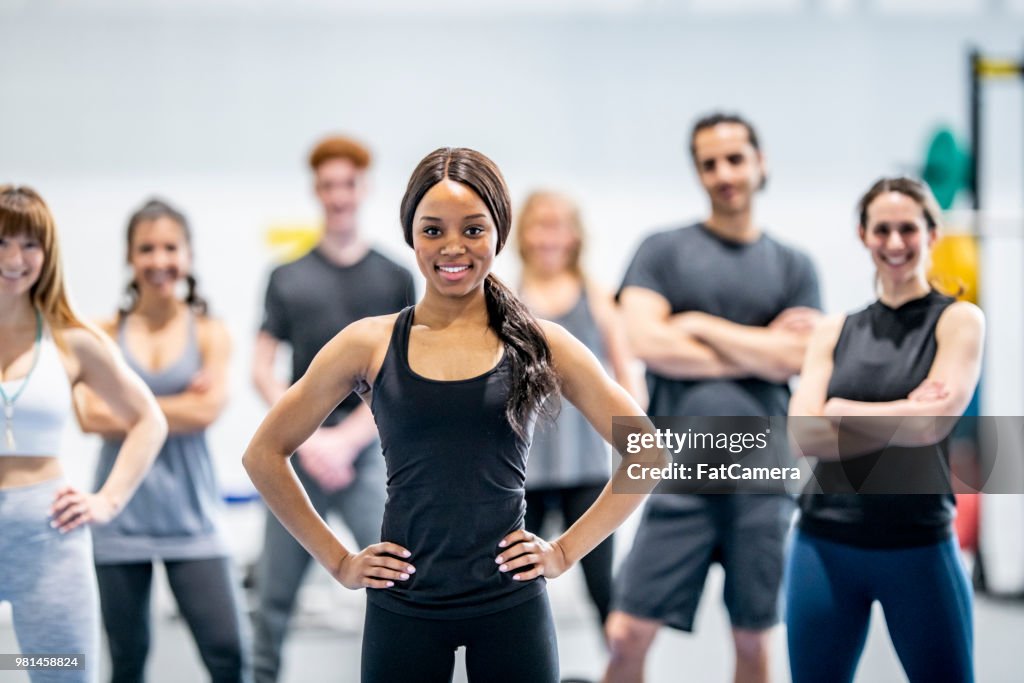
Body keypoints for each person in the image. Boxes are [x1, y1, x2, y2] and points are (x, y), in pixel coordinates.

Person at [242, 147, 661, 683]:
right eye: (433, 230)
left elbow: (646, 451)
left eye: (473, 229)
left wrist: (563, 551)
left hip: (510, 605)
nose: (453, 247)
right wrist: (340, 561)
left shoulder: (539, 343)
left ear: (499, 233)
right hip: (405, 605)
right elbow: (264, 454)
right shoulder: (368, 343)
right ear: (411, 235)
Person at [605, 112, 822, 683]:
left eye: (734, 159)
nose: (723, 173)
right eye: (709, 163)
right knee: (626, 634)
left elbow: (799, 357)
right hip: (679, 475)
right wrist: (762, 345)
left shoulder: (794, 266)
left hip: (763, 481)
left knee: (753, 642)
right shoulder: (662, 250)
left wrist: (697, 322)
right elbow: (647, 340)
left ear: (760, 162)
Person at [786, 177, 983, 683]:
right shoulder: (835, 329)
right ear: (863, 235)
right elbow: (803, 437)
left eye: (908, 229)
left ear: (932, 234)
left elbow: (929, 425)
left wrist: (841, 408)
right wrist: (900, 414)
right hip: (824, 541)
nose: (895, 243)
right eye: (882, 230)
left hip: (918, 543)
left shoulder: (958, 321)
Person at [250, 135, 415, 683]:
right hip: (300, 453)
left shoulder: (394, 275)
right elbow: (261, 366)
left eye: (348, 184)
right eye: (328, 185)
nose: (338, 196)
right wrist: (310, 437)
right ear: (316, 190)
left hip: (369, 453)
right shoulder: (287, 275)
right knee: (273, 597)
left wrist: (345, 440)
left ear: (363, 189)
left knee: (396, 578)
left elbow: (402, 372)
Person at [74, 199, 249, 682]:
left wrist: (129, 409)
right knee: (127, 662)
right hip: (117, 513)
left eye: (170, 247)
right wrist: (175, 406)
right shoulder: (103, 331)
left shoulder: (211, 332)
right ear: (130, 258)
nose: (159, 260)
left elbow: (208, 411)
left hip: (192, 515)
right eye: (145, 248)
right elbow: (88, 415)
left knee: (229, 655)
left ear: (188, 255)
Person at [0, 185, 167, 683]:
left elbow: (147, 419)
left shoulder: (71, 339)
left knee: (59, 671)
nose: (14, 258)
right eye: (2, 242)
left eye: (30, 243)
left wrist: (108, 501)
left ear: (47, 253)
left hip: (47, 536)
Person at [515, 190, 640, 627]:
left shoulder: (596, 296)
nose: (548, 237)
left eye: (558, 225)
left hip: (586, 470)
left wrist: (635, 444)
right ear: (523, 235)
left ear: (574, 236)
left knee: (605, 591)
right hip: (523, 473)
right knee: (510, 583)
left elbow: (627, 378)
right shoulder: (506, 299)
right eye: (539, 225)